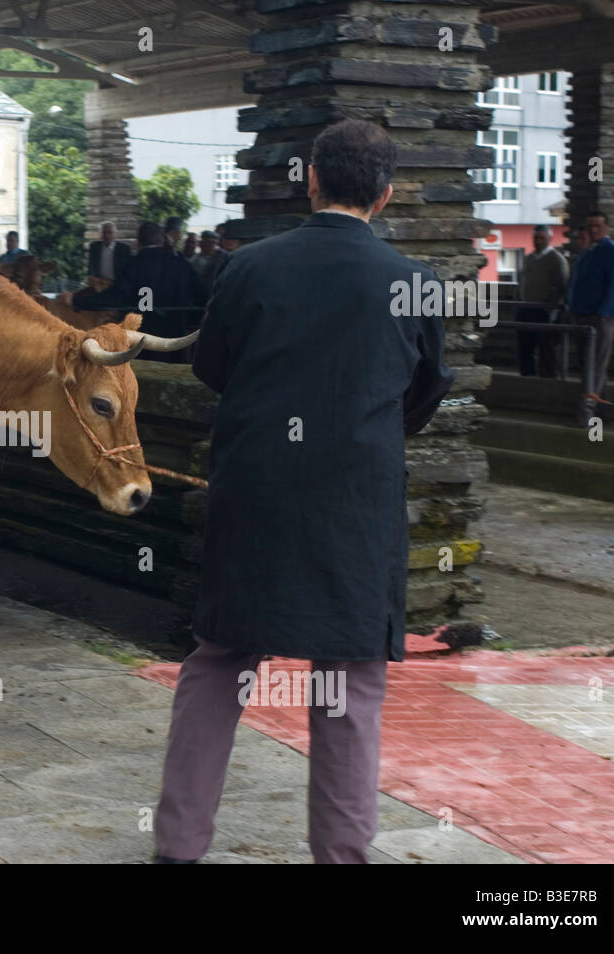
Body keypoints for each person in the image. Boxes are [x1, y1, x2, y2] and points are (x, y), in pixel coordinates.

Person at [154, 118, 453, 864]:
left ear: (311, 180)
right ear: (384, 196)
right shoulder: (415, 285)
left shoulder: (248, 268)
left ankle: (178, 846)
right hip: (355, 502)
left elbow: (211, 369)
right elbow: (424, 393)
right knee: (349, 683)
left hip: (254, 489)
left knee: (220, 662)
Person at [72, 221, 204, 361]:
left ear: (138, 243)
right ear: (161, 241)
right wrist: (188, 321)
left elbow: (115, 298)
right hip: (176, 340)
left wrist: (76, 300)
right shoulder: (182, 265)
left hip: (141, 341)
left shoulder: (132, 265)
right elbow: (203, 297)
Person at [565, 210, 614, 397]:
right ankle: (600, 406)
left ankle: (587, 410)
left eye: (598, 226)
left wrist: (602, 314)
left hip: (601, 317)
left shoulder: (613, 252)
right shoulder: (586, 253)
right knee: (585, 363)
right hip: (581, 315)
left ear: (606, 227)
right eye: (590, 226)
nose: (593, 230)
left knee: (596, 364)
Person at [516, 225, 568, 378]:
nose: (538, 241)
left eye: (542, 238)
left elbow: (561, 287)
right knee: (525, 347)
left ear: (549, 239)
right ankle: (527, 377)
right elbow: (521, 282)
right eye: (536, 238)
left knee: (546, 349)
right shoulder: (528, 258)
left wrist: (554, 312)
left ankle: (548, 380)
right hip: (526, 308)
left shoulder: (557, 260)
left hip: (545, 310)